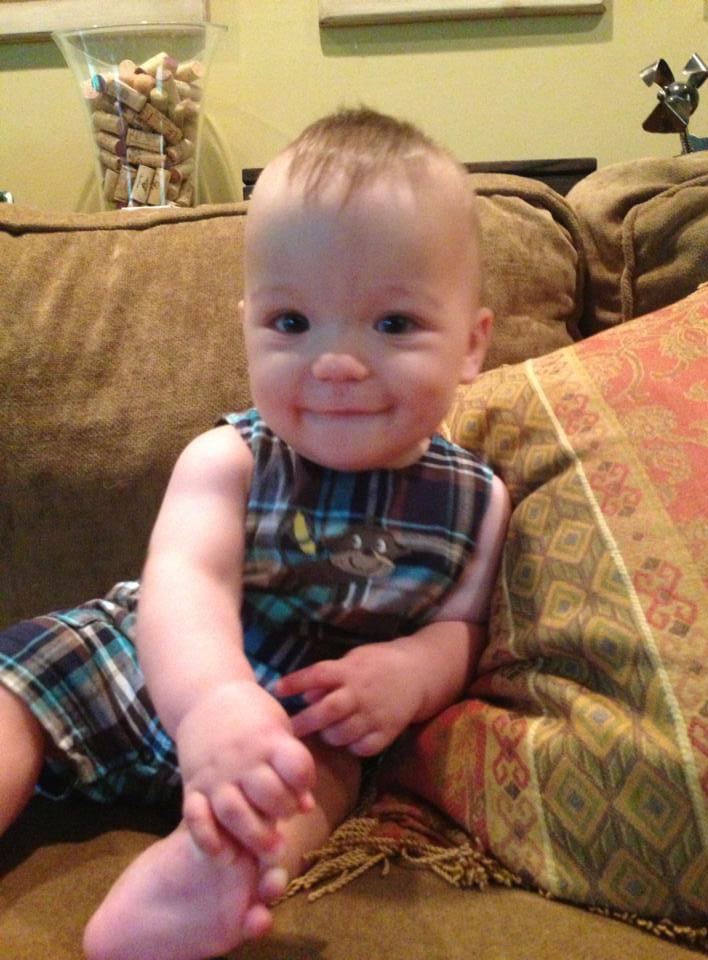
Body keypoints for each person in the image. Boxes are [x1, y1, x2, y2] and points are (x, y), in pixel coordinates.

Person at [0, 107, 510, 960]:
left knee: (322, 785)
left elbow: (463, 626)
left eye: (392, 324)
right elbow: (185, 585)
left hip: (297, 716)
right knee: (14, 702)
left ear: (471, 344)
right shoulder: (229, 458)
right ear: (247, 326)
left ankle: (207, 873)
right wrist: (211, 702)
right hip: (136, 663)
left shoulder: (477, 502)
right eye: (291, 323)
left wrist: (413, 673)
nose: (336, 363)